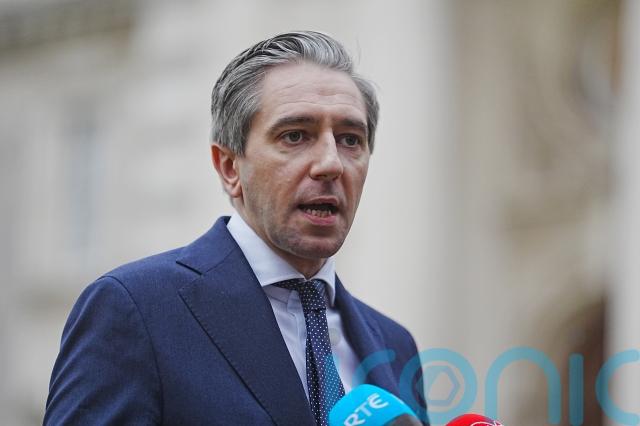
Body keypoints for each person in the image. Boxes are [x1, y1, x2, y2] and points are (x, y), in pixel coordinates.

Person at [45, 31, 427, 426]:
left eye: (350, 139)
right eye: (295, 136)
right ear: (230, 167)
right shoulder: (135, 309)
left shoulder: (396, 345)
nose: (331, 163)